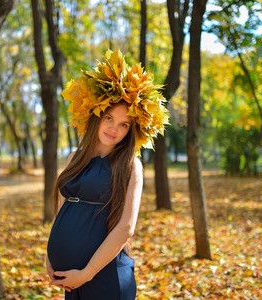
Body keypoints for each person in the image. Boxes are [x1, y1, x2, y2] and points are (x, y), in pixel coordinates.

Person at [46, 49, 169, 299]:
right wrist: (49, 256)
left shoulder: (130, 166)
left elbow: (126, 228)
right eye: (109, 118)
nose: (114, 129)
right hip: (71, 279)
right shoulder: (75, 158)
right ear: (96, 115)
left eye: (124, 124)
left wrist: (87, 273)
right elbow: (61, 210)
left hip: (105, 278)